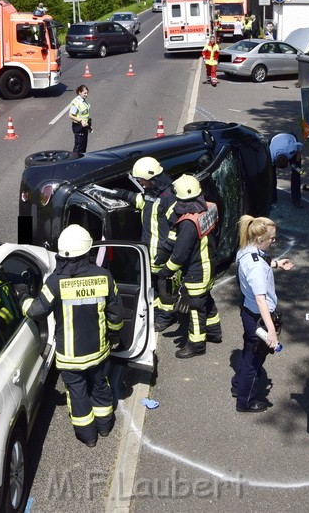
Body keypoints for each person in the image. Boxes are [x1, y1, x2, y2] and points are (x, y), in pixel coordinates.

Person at [21, 224, 123, 448]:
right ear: (88, 250)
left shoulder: (55, 282)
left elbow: (36, 311)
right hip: (98, 351)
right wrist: (114, 336)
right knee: (100, 386)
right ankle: (105, 427)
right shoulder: (104, 277)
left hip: (70, 357)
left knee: (77, 394)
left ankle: (88, 437)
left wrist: (22, 300)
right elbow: (116, 314)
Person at [106, 156, 178, 332]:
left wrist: (166, 251)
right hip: (148, 254)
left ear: (151, 178)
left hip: (162, 255)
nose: (140, 183)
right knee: (152, 285)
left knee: (165, 287)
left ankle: (165, 318)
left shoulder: (170, 198)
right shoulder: (151, 193)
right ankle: (154, 311)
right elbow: (141, 201)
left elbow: (176, 230)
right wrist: (121, 193)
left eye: (141, 180)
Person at [231, 216, 293, 413]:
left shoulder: (245, 251)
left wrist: (276, 264)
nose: (273, 241)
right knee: (254, 361)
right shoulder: (257, 267)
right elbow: (261, 300)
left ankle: (237, 385)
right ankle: (245, 401)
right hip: (259, 318)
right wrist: (272, 331)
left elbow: (260, 261)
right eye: (272, 238)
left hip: (248, 313)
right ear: (260, 239)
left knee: (248, 351)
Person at [157, 174, 222, 358]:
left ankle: (196, 345)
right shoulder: (209, 207)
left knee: (195, 308)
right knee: (205, 298)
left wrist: (165, 271)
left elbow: (179, 255)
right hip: (209, 261)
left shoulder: (188, 223)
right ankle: (214, 331)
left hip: (197, 269)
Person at [269, 132, 304, 208]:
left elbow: (300, 146)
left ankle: (296, 199)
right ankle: (272, 198)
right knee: (271, 175)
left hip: (290, 138)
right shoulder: (271, 155)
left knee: (297, 173)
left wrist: (297, 162)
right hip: (274, 140)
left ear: (289, 160)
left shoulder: (292, 150)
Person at [68, 84, 91, 155]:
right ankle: (74, 162)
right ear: (80, 92)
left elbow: (85, 115)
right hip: (78, 126)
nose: (86, 95)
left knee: (84, 146)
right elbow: (70, 115)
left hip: (84, 126)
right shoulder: (76, 102)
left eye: (87, 93)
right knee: (79, 147)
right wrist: (81, 120)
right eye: (85, 93)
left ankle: (82, 161)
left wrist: (89, 126)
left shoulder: (83, 101)